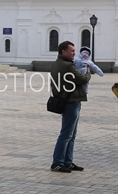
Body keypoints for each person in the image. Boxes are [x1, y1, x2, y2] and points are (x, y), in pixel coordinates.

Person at [50, 41, 91, 173]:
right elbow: (82, 79)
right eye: (72, 51)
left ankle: (67, 162)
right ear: (63, 51)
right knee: (66, 134)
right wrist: (88, 72)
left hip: (70, 100)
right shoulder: (67, 65)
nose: (74, 53)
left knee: (71, 134)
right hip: (70, 101)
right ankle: (57, 162)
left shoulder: (58, 63)